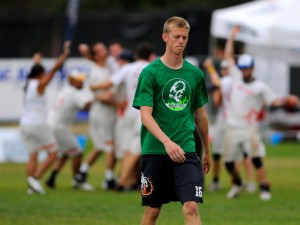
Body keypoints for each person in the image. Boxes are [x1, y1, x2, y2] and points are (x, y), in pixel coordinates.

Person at [132, 16, 211, 225]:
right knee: (153, 211)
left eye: (184, 37)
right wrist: (167, 142)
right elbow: (145, 115)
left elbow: (200, 115)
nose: (181, 41)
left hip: (186, 149)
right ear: (165, 37)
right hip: (156, 150)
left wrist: (207, 150)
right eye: (176, 37)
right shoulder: (150, 73)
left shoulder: (195, 74)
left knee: (191, 207)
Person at [222, 25, 299, 200]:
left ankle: (264, 187)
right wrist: (232, 37)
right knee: (228, 162)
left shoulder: (260, 87)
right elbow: (228, 56)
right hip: (233, 126)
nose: (243, 71)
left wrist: (287, 99)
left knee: (256, 159)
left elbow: (274, 100)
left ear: (252, 68)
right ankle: (237, 183)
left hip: (250, 128)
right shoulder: (235, 75)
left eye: (246, 68)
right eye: (241, 68)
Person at [89, 43, 156, 191]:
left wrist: (94, 87)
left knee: (127, 149)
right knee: (136, 149)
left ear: (136, 56)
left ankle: (130, 180)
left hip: (127, 113)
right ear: (150, 56)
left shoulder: (127, 68)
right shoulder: (152, 68)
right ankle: (123, 181)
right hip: (143, 113)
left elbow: (110, 83)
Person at [20, 41, 71, 194]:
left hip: (25, 124)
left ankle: (31, 187)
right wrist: (64, 54)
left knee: (33, 155)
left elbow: (37, 70)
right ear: (41, 74)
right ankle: (35, 178)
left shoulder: (29, 82)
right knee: (54, 153)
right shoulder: (40, 84)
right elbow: (54, 70)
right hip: (38, 124)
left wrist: (36, 61)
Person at [203, 58, 256, 193]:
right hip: (230, 120)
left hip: (232, 121)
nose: (225, 71)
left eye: (227, 69)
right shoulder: (238, 82)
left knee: (239, 154)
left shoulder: (230, 81)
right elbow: (217, 101)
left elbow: (217, 83)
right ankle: (238, 181)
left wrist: (210, 68)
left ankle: (240, 181)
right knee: (225, 154)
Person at [74, 42, 118, 190]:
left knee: (100, 146)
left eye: (105, 49)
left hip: (107, 113)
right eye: (101, 51)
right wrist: (118, 102)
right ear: (96, 55)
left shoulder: (107, 67)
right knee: (110, 145)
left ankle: (81, 173)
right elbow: (100, 97)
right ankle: (109, 179)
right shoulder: (95, 72)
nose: (105, 52)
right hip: (102, 113)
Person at [45, 70, 93, 190]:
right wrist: (98, 97)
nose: (82, 82)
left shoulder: (65, 90)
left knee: (65, 153)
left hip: (52, 124)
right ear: (73, 81)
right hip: (60, 127)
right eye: (79, 80)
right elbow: (86, 105)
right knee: (77, 152)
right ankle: (78, 181)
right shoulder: (73, 93)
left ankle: (51, 178)